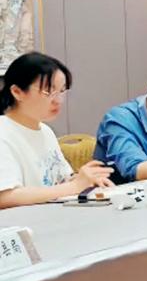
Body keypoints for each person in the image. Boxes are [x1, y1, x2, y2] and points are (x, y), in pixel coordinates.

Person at [0, 52, 112, 208]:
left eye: (62, 91)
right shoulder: (4, 132)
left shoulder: (45, 130)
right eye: (48, 91)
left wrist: (86, 179)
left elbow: (60, 182)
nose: (58, 100)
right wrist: (74, 186)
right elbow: (5, 197)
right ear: (17, 92)